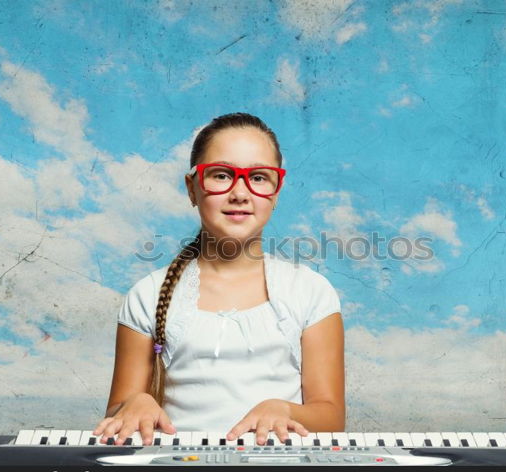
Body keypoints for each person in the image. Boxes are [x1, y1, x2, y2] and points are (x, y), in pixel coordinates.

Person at [93, 112, 345, 447]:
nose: (240, 193)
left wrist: (284, 409)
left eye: (258, 177)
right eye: (222, 175)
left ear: (277, 191)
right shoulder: (147, 295)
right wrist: (134, 404)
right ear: (192, 188)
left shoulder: (311, 293)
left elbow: (331, 417)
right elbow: (118, 412)